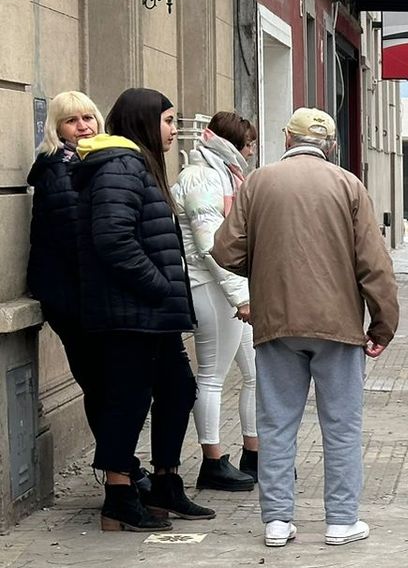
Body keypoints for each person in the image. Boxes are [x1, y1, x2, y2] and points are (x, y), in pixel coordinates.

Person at [212, 107, 400, 548]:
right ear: (330, 145)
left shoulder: (258, 181)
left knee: (276, 422)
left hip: (276, 321)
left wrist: (261, 269)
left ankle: (277, 521)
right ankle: (340, 520)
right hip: (338, 325)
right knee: (341, 424)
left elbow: (224, 250)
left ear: (286, 138)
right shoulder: (347, 185)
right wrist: (383, 325)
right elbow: (374, 265)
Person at [75, 88, 208, 531]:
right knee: (128, 400)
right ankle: (118, 493)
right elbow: (113, 239)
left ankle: (166, 482)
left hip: (153, 313)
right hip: (131, 311)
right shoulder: (120, 167)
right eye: (169, 121)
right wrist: (159, 286)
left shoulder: (140, 166)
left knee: (179, 390)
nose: (173, 130)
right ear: (144, 122)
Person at [173, 112, 260, 493]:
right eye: (249, 144)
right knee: (211, 376)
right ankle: (211, 462)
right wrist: (240, 297)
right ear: (231, 144)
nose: (253, 151)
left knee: (256, 374)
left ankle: (254, 454)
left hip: (228, 286)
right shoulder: (202, 177)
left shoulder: (225, 174)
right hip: (208, 285)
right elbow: (211, 246)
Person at [27, 92, 110, 474]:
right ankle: (116, 469)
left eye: (88, 118)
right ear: (56, 129)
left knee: (103, 384)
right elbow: (76, 236)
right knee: (101, 383)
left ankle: (117, 464)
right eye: (72, 121)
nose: (83, 126)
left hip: (82, 294)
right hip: (72, 296)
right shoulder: (60, 168)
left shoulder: (87, 162)